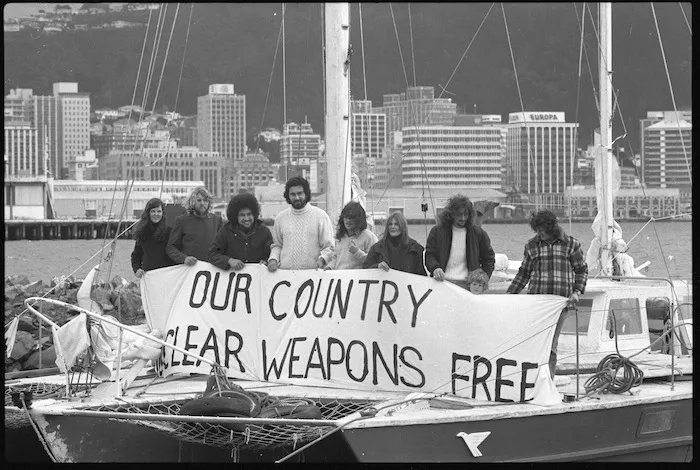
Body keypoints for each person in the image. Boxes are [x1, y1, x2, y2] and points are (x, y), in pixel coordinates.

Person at [506, 209, 588, 378]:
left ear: (552, 227)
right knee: (535, 343)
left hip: (560, 303)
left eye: (544, 230)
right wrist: (509, 296)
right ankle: (531, 379)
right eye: (538, 230)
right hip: (537, 304)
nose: (541, 233)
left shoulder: (571, 244)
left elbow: (581, 270)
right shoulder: (531, 246)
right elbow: (524, 273)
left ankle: (547, 381)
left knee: (551, 344)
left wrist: (577, 292)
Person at [425, 194, 495, 288]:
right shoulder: (437, 231)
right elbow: (429, 255)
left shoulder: (479, 234)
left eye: (465, 214)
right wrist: (435, 268)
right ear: (451, 214)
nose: (463, 218)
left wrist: (483, 280)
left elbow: (489, 259)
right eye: (459, 214)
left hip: (468, 286)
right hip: (441, 284)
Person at [267, 176, 334, 272]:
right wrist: (273, 260)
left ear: (306, 194)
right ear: (288, 196)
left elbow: (329, 247)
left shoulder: (321, 216)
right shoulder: (280, 218)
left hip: (313, 277)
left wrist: (322, 259)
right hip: (285, 277)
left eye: (300, 193)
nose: (297, 197)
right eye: (293, 194)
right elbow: (277, 245)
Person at [208, 193, 273, 271]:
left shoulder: (264, 231)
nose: (246, 218)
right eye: (242, 215)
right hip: (231, 279)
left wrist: (266, 261)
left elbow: (272, 254)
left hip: (257, 278)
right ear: (235, 216)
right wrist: (229, 261)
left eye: (249, 214)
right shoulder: (225, 231)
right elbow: (212, 254)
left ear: (254, 214)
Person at [167, 186, 223, 266]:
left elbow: (224, 245)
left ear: (209, 203)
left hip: (211, 269)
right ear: (192, 202)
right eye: (199, 200)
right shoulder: (181, 220)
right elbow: (171, 248)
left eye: (205, 200)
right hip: (189, 270)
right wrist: (184, 258)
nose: (202, 203)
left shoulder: (217, 220)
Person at [363, 211, 426, 275]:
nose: (392, 227)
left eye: (396, 224)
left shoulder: (415, 249)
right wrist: (377, 266)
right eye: (390, 224)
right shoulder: (376, 248)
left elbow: (421, 274)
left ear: (402, 226)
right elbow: (365, 269)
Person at [325, 201, 378, 270]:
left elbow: (374, 262)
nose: (348, 220)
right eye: (346, 217)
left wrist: (357, 252)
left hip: (358, 279)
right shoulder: (341, 236)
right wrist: (330, 267)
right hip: (340, 278)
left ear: (359, 220)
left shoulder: (369, 237)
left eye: (352, 218)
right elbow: (335, 258)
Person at [130, 198, 176, 277]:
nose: (156, 214)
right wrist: (137, 269)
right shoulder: (142, 232)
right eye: (153, 211)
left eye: (159, 211)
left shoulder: (169, 232)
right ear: (148, 213)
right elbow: (136, 256)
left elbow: (176, 253)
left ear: (162, 213)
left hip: (167, 276)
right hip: (148, 276)